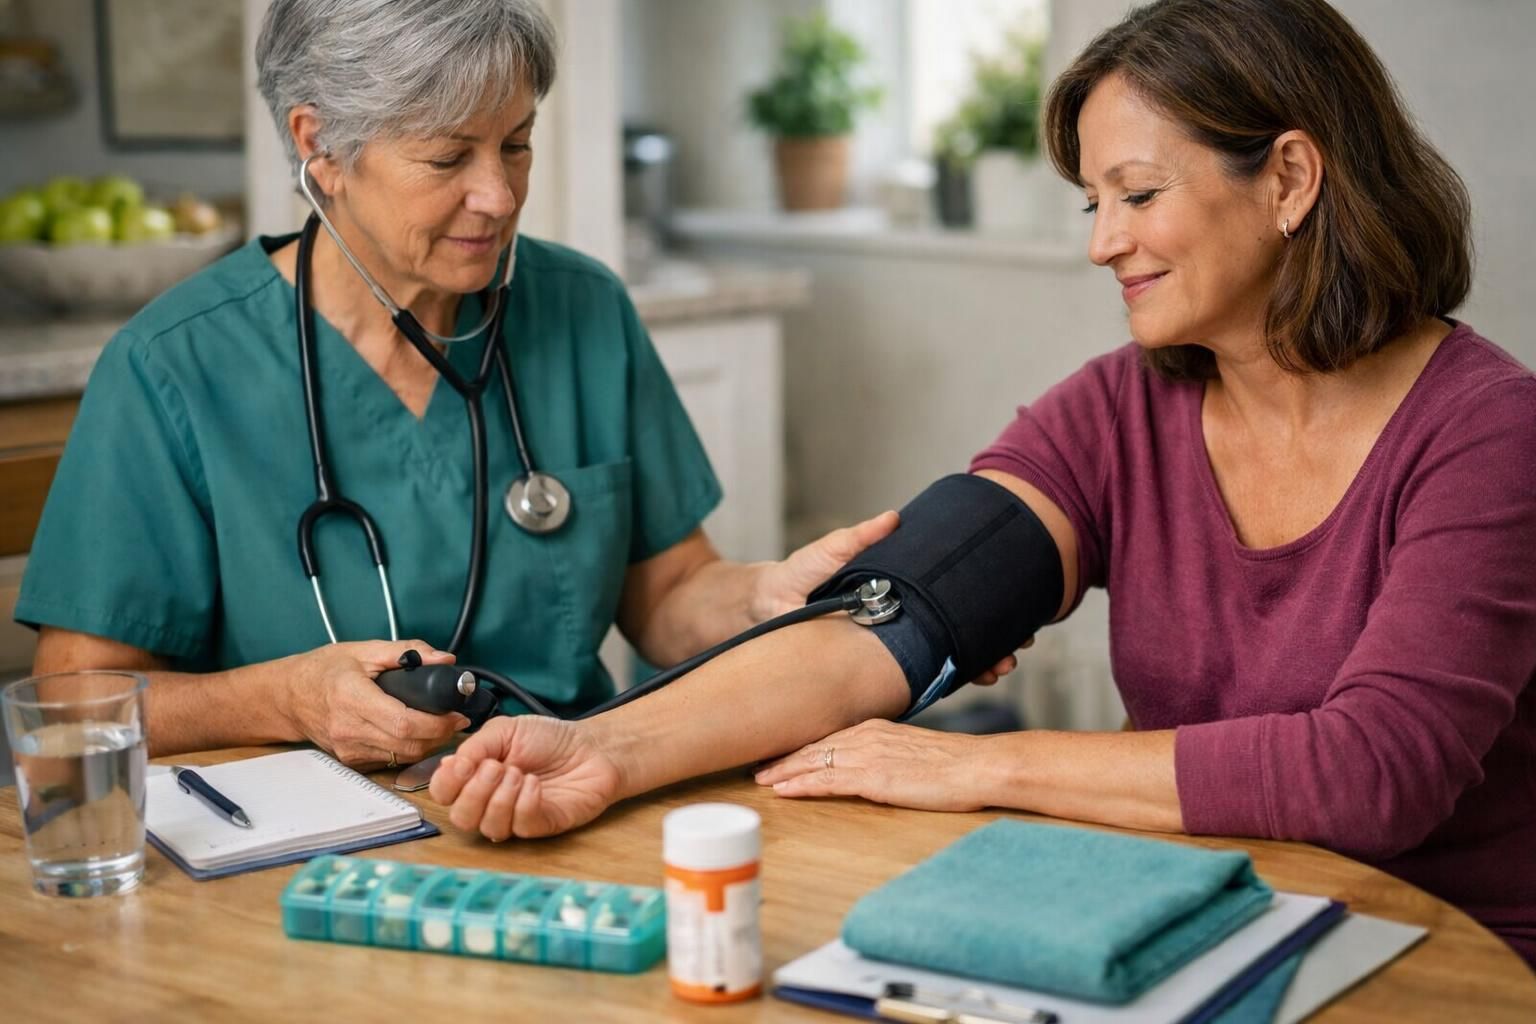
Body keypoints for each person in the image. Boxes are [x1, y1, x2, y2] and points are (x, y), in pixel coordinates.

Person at [429, 0, 1536, 965]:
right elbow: (889, 620)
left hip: (1456, 954)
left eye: (1138, 194)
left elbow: (1374, 772)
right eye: (1089, 202)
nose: (1104, 243)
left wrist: (983, 767)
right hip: (1203, 926)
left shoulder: (1485, 433)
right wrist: (606, 752)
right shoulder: (1120, 410)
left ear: (1290, 176)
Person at [14, 0, 1018, 769]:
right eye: (448, 155)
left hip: (572, 792)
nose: (498, 196)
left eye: (517, 141)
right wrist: (281, 701)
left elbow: (667, 596)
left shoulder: (580, 309)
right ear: (320, 147)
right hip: (300, 855)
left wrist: (768, 595)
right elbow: (77, 700)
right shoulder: (175, 367)